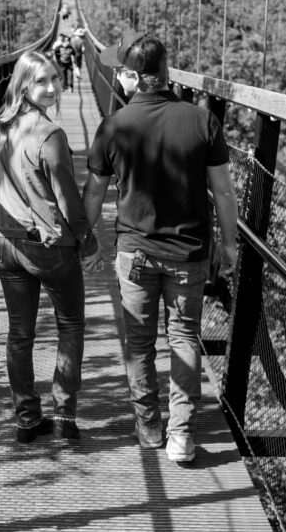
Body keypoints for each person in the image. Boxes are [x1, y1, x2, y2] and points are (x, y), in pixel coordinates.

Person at [83, 33, 237, 461]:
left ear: (133, 77)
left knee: (139, 343)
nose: (117, 77)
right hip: (188, 254)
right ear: (166, 74)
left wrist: (85, 238)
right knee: (185, 337)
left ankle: (149, 427)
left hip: (135, 253)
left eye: (121, 72)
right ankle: (181, 435)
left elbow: (94, 194)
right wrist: (229, 244)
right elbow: (223, 194)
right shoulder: (203, 121)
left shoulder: (113, 126)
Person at [0, 50, 100, 444]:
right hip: (47, 248)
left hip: (5, 241)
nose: (53, 87)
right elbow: (68, 201)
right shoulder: (51, 135)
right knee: (70, 325)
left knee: (20, 333)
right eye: (42, 81)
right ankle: (64, 418)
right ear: (24, 84)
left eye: (55, 78)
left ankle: (25, 420)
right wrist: (88, 242)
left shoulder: (4, 124)